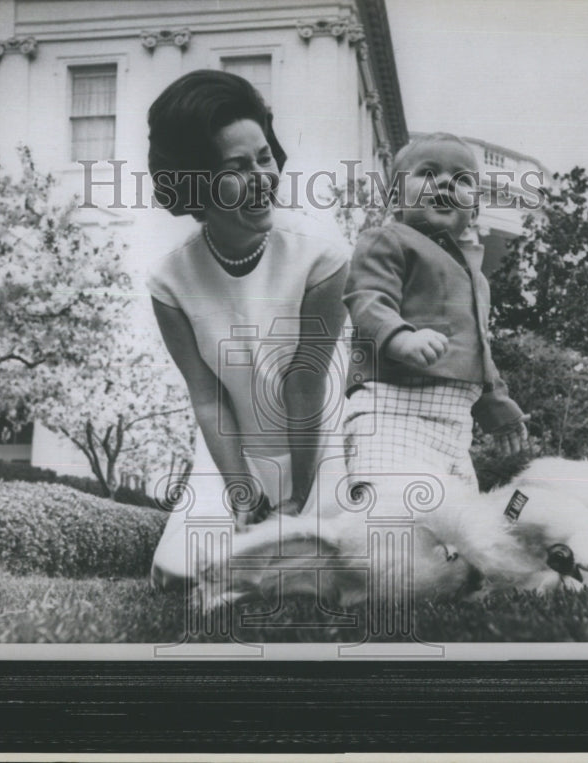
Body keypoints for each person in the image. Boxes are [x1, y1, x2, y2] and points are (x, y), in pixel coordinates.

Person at [145, 70, 349, 590]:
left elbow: (306, 387)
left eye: (264, 156)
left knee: (326, 567)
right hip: (231, 455)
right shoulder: (169, 281)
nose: (263, 177)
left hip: (321, 448)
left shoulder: (322, 256)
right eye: (237, 167)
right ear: (195, 180)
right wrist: (242, 493)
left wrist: (298, 502)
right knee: (182, 575)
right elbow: (209, 398)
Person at [343, 132, 528, 497]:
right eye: (428, 173)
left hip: (454, 428)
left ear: (474, 208)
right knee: (394, 506)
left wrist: (495, 406)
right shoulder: (387, 240)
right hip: (393, 410)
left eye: (462, 179)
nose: (445, 182)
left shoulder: (477, 280)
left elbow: (478, 353)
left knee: (454, 532)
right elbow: (367, 299)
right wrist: (400, 337)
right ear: (395, 196)